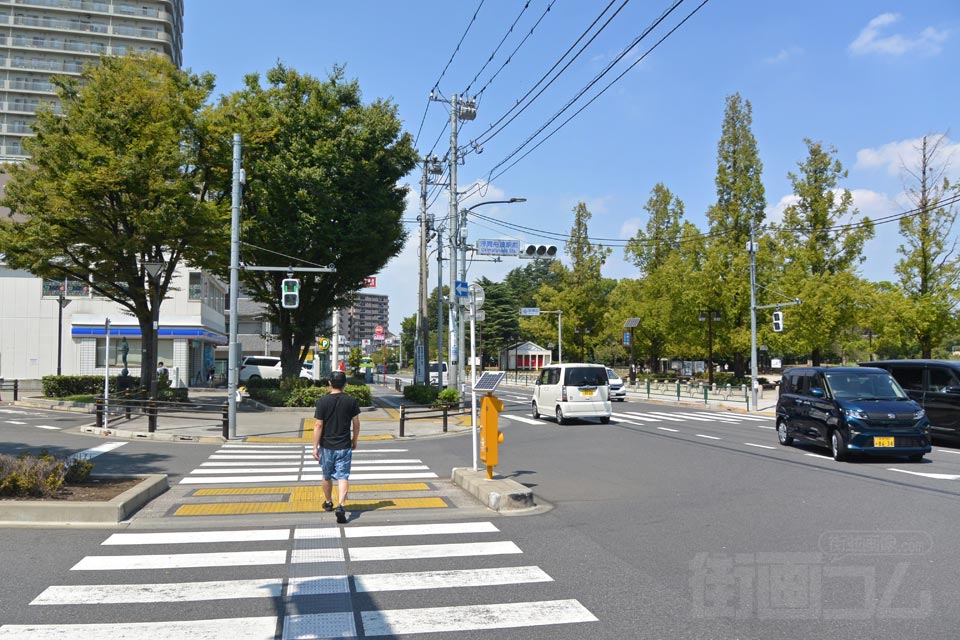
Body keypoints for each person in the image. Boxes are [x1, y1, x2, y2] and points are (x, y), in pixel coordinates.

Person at [312, 370, 360, 524]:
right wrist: (354, 440)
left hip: (326, 446)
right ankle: (341, 505)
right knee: (343, 475)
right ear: (345, 384)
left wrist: (315, 447)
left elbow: (318, 425)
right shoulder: (351, 401)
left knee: (327, 475)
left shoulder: (322, 401)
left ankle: (328, 502)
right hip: (344, 445)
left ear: (330, 383)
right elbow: (356, 423)